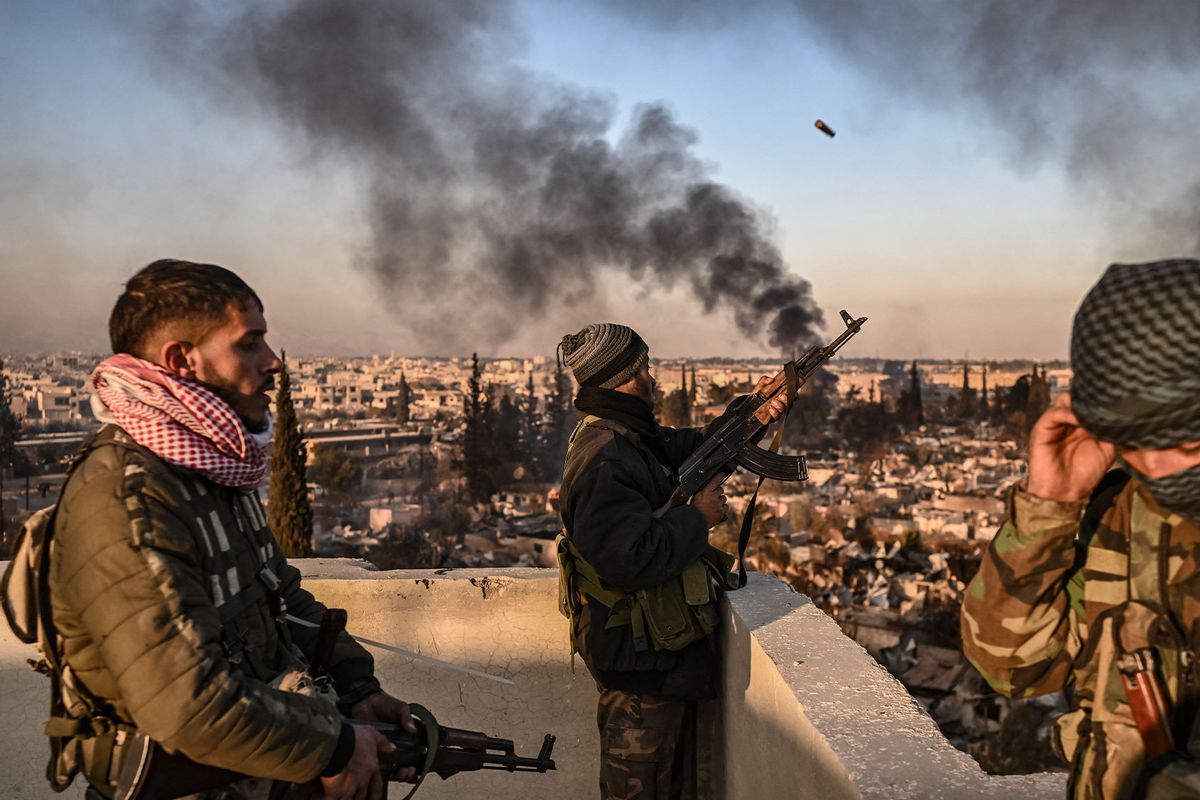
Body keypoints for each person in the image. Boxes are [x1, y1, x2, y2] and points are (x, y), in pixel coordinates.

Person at [48, 259, 416, 800]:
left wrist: (358, 688)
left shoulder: (209, 470)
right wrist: (334, 747)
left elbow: (280, 598)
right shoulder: (129, 497)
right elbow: (184, 702)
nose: (273, 363)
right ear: (182, 360)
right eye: (249, 344)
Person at [962, 259, 1200, 799]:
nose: (1158, 469)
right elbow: (1014, 668)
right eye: (1133, 440)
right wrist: (1050, 505)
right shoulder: (1124, 516)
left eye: (1183, 441)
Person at [556, 322, 785, 800]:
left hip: (659, 657)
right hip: (640, 670)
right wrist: (698, 518)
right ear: (625, 375)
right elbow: (628, 557)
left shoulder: (628, 437)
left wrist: (754, 412)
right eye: (645, 367)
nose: (653, 376)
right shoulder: (606, 457)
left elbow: (698, 450)